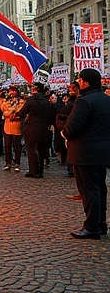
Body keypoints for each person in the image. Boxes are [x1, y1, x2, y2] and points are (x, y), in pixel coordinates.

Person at [61, 68, 110, 240]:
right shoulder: (106, 100)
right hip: (103, 152)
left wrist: (64, 134)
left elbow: (72, 127)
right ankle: (100, 224)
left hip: (85, 153)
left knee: (89, 191)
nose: (78, 83)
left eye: (80, 80)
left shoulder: (84, 101)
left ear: (86, 82)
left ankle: (91, 227)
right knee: (99, 189)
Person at [17, 82, 55, 179]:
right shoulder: (47, 102)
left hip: (31, 128)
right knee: (41, 150)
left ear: (35, 90)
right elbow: (51, 116)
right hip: (43, 129)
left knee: (31, 150)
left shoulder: (31, 100)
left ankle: (33, 170)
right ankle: (40, 171)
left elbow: (22, 112)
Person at [0, 85, 25, 172]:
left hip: (17, 126)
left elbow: (20, 113)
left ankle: (17, 163)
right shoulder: (6, 101)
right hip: (7, 126)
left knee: (17, 146)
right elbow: (3, 111)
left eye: (13, 91)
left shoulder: (22, 101)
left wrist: (11, 113)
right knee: (7, 145)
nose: (12, 93)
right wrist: (11, 112)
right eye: (10, 91)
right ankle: (8, 162)